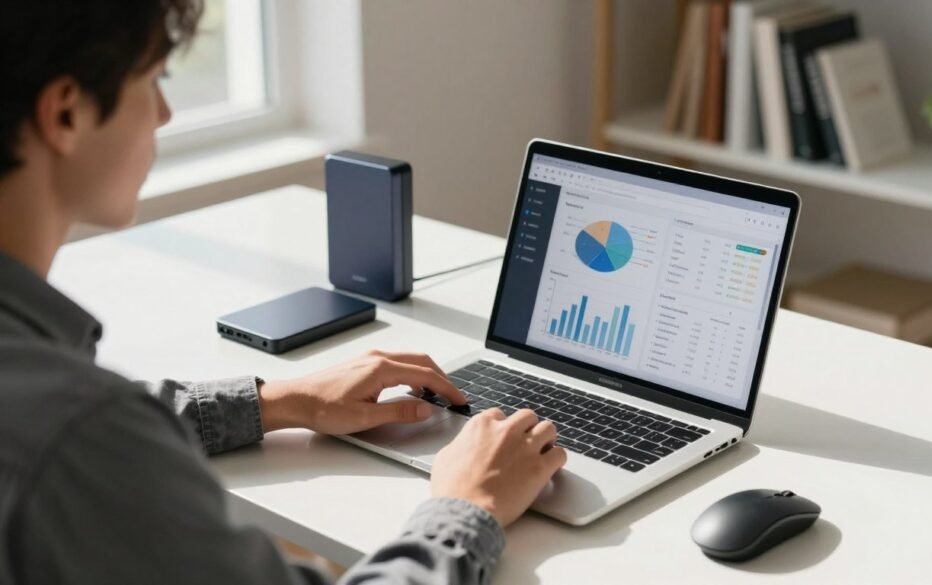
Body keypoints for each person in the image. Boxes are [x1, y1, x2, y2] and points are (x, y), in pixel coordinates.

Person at [0, 1, 566, 584]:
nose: (164, 114)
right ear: (66, 113)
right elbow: (82, 437)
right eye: (153, 80)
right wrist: (467, 507)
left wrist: (277, 401)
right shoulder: (79, 438)